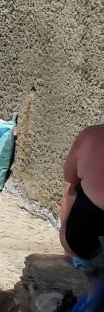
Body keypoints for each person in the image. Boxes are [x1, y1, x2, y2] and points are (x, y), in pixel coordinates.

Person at [63, 125, 104, 293]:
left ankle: (72, 263)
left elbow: (69, 175)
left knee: (71, 188)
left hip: (89, 244)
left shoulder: (92, 135)